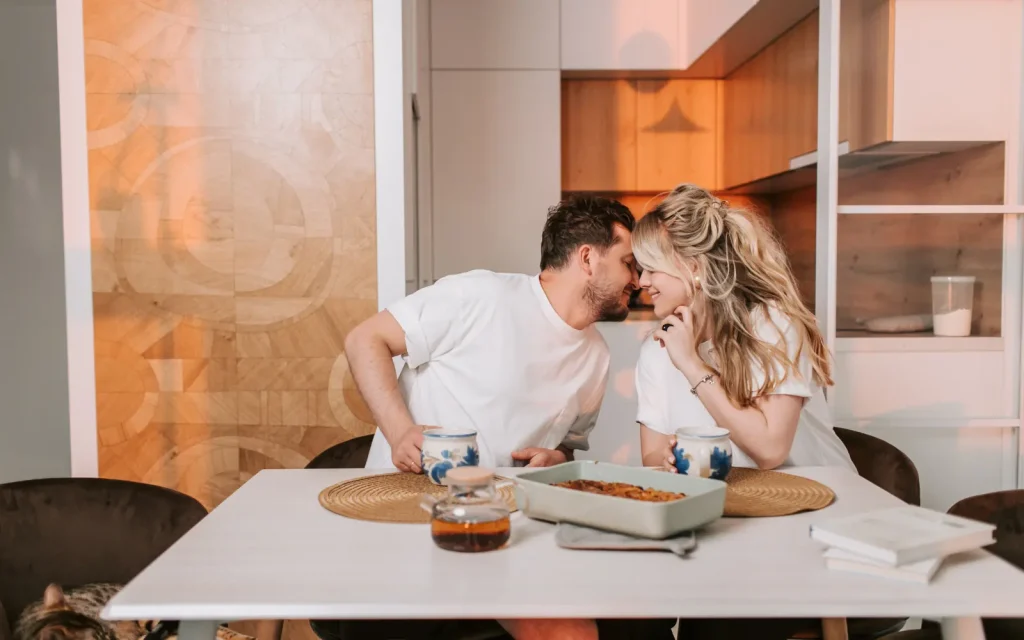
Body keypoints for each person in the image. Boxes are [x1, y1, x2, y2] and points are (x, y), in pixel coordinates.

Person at [315, 195, 641, 640]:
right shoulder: (480, 295)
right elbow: (364, 339)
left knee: (600, 625)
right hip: (409, 526)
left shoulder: (597, 357)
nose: (638, 280)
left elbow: (568, 447)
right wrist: (400, 432)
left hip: (507, 537)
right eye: (629, 263)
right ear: (588, 258)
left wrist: (556, 456)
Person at [630, 183, 854, 640]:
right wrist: (669, 462)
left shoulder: (770, 325)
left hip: (813, 522)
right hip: (726, 524)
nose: (641, 282)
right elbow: (651, 455)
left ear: (693, 269)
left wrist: (692, 364)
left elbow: (770, 449)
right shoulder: (656, 352)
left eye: (651, 268)